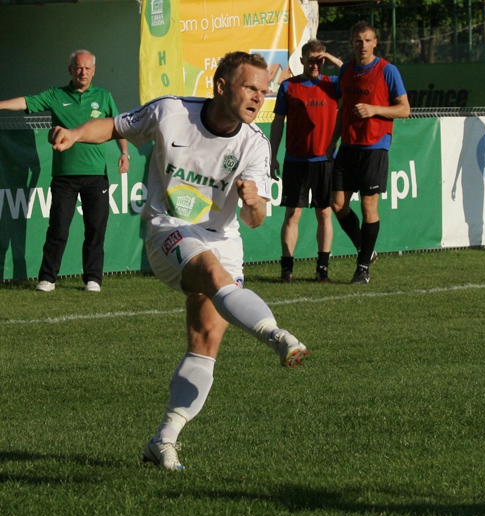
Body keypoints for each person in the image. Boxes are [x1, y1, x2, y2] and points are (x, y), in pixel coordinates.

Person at [48, 51, 309, 471]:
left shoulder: (255, 144)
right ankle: (276, 336)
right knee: (211, 272)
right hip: (168, 229)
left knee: (205, 342)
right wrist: (76, 134)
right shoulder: (171, 111)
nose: (258, 98)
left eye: (263, 91)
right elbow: (114, 126)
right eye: (250, 87)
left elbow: (255, 220)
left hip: (223, 240)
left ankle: (164, 440)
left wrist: (254, 203)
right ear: (221, 86)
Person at [0, 50, 130, 292]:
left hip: (96, 176)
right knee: (58, 229)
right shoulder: (56, 95)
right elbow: (26, 101)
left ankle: (93, 279)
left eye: (87, 68)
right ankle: (48, 279)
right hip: (64, 177)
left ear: (94, 71)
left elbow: (118, 127)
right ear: (70, 70)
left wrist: (125, 153)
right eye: (78, 68)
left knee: (95, 230)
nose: (83, 72)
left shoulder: (104, 97)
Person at [327, 21, 411, 284]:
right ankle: (367, 249)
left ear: (375, 43)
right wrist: (333, 141)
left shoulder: (388, 70)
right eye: (358, 40)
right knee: (337, 204)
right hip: (348, 146)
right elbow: (343, 108)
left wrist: (375, 110)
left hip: (374, 146)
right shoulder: (347, 70)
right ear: (351, 43)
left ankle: (362, 268)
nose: (362, 44)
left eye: (367, 40)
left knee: (368, 205)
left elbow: (404, 109)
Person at [270, 40, 342, 283]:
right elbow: (278, 123)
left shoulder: (333, 83)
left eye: (320, 60)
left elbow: (352, 73)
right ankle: (286, 268)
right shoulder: (288, 86)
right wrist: (273, 156)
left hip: (325, 160)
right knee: (292, 214)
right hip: (296, 160)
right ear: (301, 61)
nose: (315, 65)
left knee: (324, 213)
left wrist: (331, 58)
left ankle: (322, 269)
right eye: (311, 60)